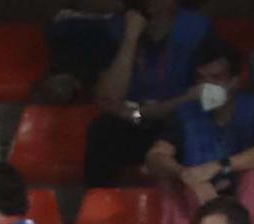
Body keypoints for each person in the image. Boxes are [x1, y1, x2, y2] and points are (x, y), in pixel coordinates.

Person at [145, 43, 254, 224]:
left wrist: (219, 166)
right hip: (201, 210)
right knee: (169, 178)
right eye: (202, 79)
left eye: (216, 78)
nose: (207, 85)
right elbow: (155, 157)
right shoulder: (185, 114)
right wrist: (184, 174)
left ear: (234, 81)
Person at [86, 0, 217, 190]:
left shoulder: (198, 30)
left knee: (197, 130)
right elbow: (109, 98)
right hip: (135, 122)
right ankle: (100, 209)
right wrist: (130, 39)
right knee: (102, 130)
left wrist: (144, 111)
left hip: (178, 124)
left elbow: (206, 95)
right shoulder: (117, 28)